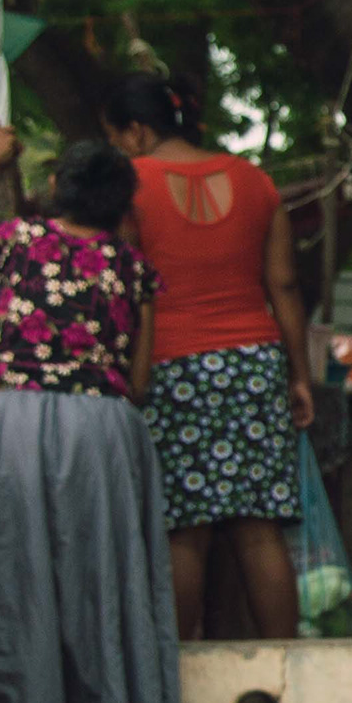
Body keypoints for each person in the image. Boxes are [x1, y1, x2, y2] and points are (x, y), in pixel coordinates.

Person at [0, 125, 186, 703]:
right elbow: (140, 382)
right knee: (99, 594)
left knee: (14, 590)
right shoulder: (133, 268)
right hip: (105, 436)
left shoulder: (20, 241)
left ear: (57, 188)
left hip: (15, 428)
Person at [108, 77, 316, 640]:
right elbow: (283, 285)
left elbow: (127, 285)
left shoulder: (129, 185)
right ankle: (289, 666)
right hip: (255, 363)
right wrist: (299, 376)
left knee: (184, 531)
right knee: (260, 528)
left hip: (172, 366)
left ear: (137, 131)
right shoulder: (255, 181)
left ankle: (179, 671)